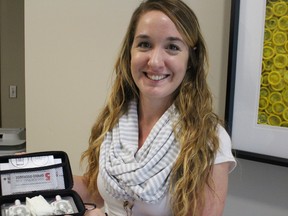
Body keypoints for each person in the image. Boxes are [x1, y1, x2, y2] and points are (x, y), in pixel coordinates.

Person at [73, 0, 236, 215]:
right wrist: (36, 176)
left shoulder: (208, 140)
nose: (155, 61)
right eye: (145, 44)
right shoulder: (115, 121)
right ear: (130, 51)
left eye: (172, 47)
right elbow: (101, 190)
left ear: (190, 60)